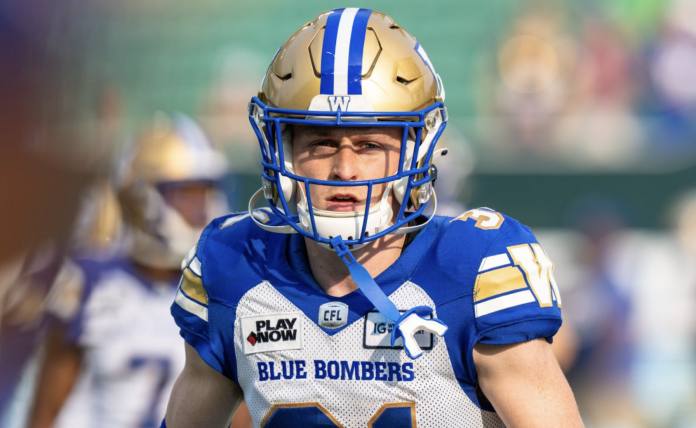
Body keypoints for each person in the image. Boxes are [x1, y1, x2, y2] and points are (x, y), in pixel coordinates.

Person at [163, 9, 583, 428]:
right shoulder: (234, 266)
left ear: (416, 152)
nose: (344, 169)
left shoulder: (471, 269)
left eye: (369, 145)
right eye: (322, 143)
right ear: (282, 151)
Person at [25, 114, 241, 428]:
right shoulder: (89, 281)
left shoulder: (224, 290)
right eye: (185, 194)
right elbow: (45, 414)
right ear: (140, 197)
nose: (201, 209)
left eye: (205, 194)